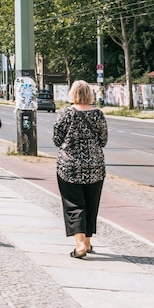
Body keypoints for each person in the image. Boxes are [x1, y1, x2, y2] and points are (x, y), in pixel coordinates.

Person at [53, 80, 108, 259]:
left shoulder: (65, 114)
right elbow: (103, 141)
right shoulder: (98, 115)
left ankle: (81, 244)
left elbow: (56, 139)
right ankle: (88, 241)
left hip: (69, 167)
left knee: (74, 204)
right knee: (91, 203)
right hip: (95, 167)